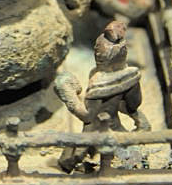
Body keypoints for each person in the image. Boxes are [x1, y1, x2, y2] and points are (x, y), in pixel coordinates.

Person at [54, 21, 150, 173]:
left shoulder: (98, 86)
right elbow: (132, 104)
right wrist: (137, 118)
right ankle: (137, 162)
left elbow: (87, 116)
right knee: (125, 145)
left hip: (97, 127)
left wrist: (68, 94)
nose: (96, 53)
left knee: (78, 151)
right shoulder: (130, 77)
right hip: (115, 124)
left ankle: (69, 165)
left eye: (98, 51)